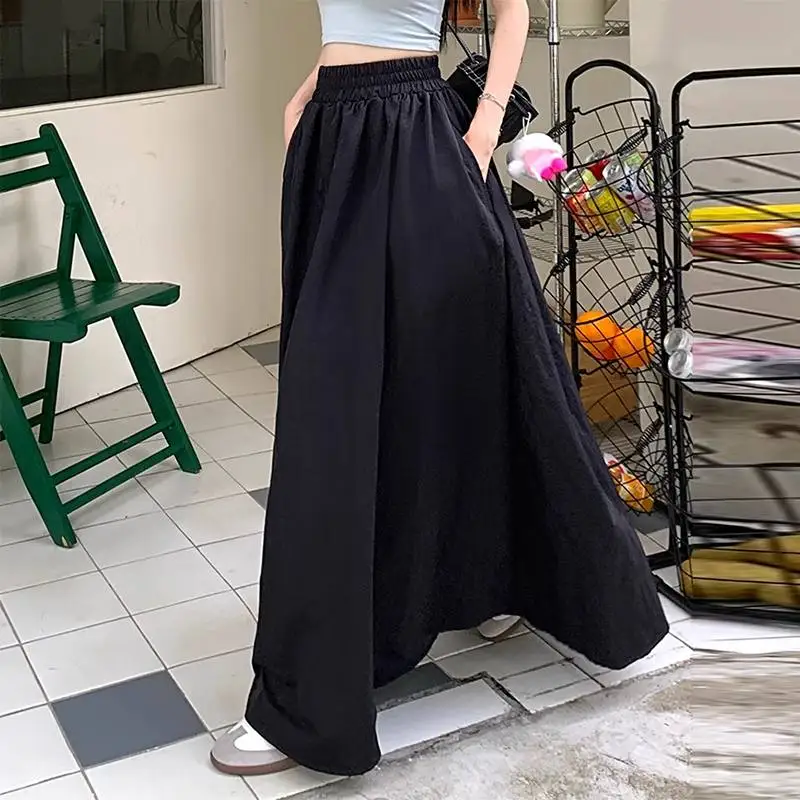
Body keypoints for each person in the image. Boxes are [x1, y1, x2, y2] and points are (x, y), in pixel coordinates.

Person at [211, 0, 669, 779]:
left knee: (450, 378)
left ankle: (343, 671)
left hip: (417, 136)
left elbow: (512, 9)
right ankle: (368, 647)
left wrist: (484, 129)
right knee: (350, 402)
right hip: (334, 137)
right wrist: (306, 93)